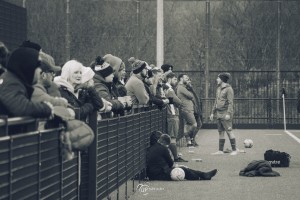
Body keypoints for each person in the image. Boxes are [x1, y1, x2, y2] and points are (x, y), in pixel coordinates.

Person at [0, 47, 53, 118]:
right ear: (27, 66)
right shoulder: (10, 83)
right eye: (38, 65)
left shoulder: (11, 80)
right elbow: (21, 108)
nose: (40, 70)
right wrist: (46, 108)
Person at [147, 131, 218, 181]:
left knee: (183, 168)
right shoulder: (163, 148)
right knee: (184, 169)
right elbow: (171, 163)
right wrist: (177, 166)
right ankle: (202, 176)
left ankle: (204, 175)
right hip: (160, 174)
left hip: (153, 174)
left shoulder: (151, 148)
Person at [209, 72, 237, 155]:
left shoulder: (229, 89)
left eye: (218, 78)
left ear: (222, 79)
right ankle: (220, 151)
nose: (216, 79)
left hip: (225, 113)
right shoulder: (218, 88)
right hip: (218, 113)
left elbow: (231, 102)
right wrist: (212, 112)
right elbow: (216, 101)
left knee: (229, 131)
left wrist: (228, 113)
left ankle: (234, 150)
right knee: (220, 132)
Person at [176, 74, 197, 147]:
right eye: (186, 78)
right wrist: (190, 87)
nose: (188, 79)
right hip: (186, 109)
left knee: (187, 125)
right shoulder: (181, 87)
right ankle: (188, 137)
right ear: (181, 79)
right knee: (194, 125)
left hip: (188, 108)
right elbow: (191, 96)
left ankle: (189, 142)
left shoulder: (183, 87)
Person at [186, 76, 203, 146]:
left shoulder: (191, 89)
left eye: (190, 80)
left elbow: (195, 99)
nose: (189, 82)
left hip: (195, 110)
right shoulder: (186, 90)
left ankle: (191, 138)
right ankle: (190, 138)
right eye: (188, 80)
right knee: (195, 125)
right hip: (191, 110)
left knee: (198, 124)